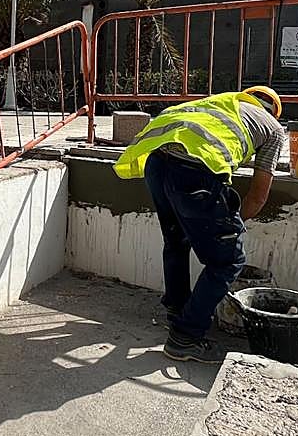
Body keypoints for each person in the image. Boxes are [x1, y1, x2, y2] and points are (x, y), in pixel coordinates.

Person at [113, 86, 286, 364]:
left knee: (176, 240)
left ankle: (178, 309)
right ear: (274, 112)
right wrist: (230, 229)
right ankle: (186, 337)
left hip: (156, 164)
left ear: (248, 96)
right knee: (227, 261)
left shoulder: (220, 102)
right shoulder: (274, 129)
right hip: (193, 173)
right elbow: (258, 196)